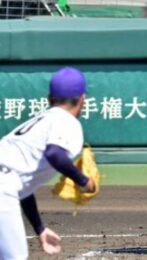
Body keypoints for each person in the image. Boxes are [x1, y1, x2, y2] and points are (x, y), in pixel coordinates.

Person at [0, 67, 97, 259]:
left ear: (49, 98)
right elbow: (55, 154)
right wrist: (84, 181)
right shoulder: (67, 122)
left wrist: (39, 228)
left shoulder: (39, 123)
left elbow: (20, 186)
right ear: (82, 99)